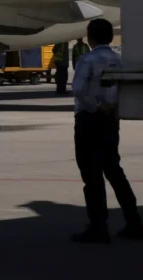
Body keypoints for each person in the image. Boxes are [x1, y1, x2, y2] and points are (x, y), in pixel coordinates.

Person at [69, 18, 143, 244]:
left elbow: (79, 89)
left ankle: (98, 226)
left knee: (91, 175)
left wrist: (96, 105)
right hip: (111, 121)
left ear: (90, 37)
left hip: (89, 120)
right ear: (111, 37)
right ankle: (133, 221)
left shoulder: (88, 59)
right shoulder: (117, 59)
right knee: (114, 170)